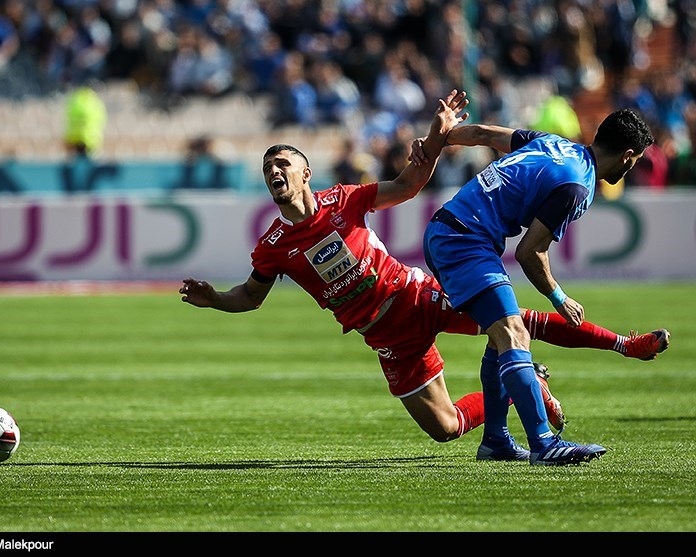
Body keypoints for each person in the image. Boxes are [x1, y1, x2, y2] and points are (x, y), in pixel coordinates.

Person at [180, 91, 669, 454]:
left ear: (306, 172)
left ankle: (610, 356)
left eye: (282, 164)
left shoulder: (344, 200)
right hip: (386, 335)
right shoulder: (273, 246)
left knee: (516, 324)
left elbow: (409, 184)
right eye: (269, 170)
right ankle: (523, 399)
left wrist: (434, 139)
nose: (275, 174)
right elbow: (250, 295)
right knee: (447, 427)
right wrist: (216, 299)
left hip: (414, 293)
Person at [416, 108, 656, 465]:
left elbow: (483, 134)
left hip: (452, 230)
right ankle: (544, 442)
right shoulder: (577, 185)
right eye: (634, 161)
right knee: (515, 334)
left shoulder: (554, 144)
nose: (630, 168)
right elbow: (530, 252)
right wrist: (558, 296)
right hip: (464, 240)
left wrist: (437, 140)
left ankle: (496, 440)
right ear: (627, 156)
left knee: (501, 338)